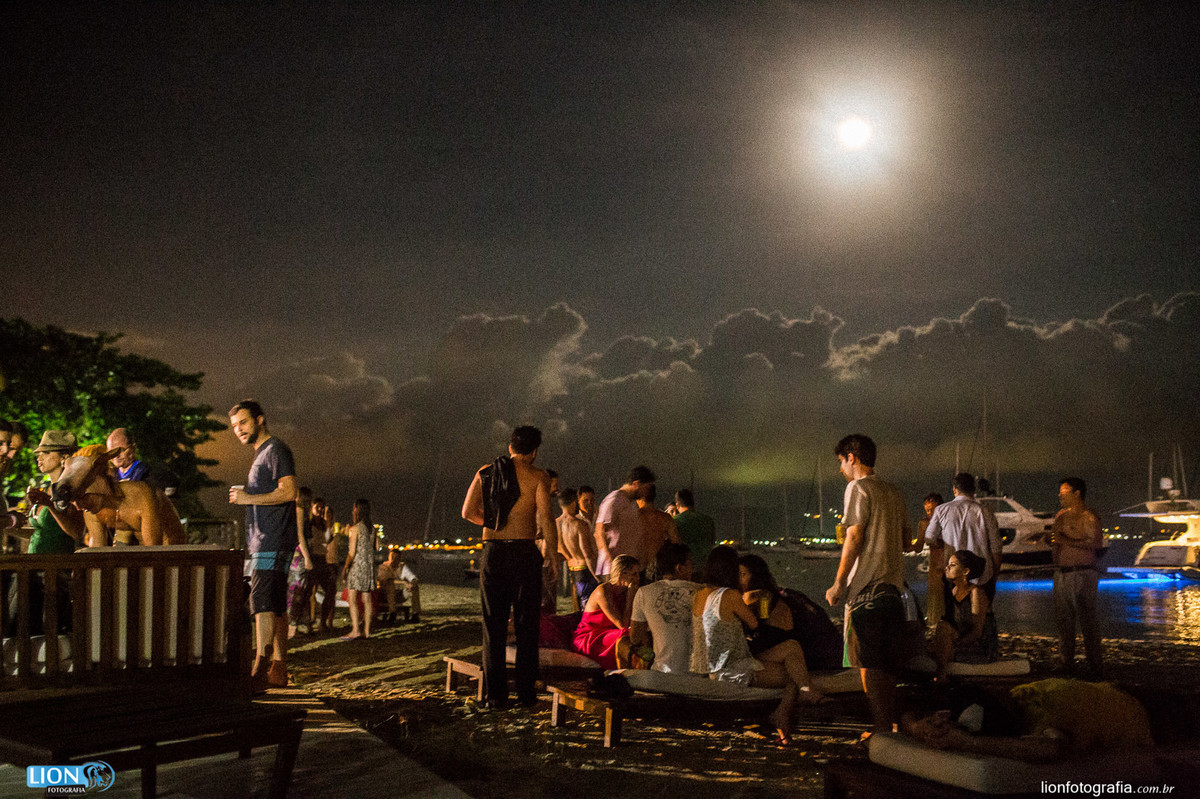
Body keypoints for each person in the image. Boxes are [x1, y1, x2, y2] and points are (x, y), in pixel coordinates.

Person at [461, 425, 557, 710]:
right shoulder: (538, 476)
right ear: (535, 451)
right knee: (528, 625)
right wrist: (552, 554)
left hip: (494, 552)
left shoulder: (485, 472)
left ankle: (496, 697)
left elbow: (467, 513)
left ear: (510, 447)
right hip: (524, 552)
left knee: (494, 625)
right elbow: (547, 519)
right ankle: (526, 695)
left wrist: (494, 523)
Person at [825, 434, 913, 734]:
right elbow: (906, 541)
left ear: (852, 457)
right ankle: (889, 726)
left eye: (841, 462)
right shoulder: (894, 491)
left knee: (869, 667)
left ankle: (881, 730)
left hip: (866, 591)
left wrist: (838, 583)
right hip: (894, 591)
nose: (841, 470)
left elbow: (855, 535)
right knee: (887, 667)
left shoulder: (858, 487)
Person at [692, 546, 819, 746]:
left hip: (716, 665)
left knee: (792, 649)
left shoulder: (699, 595)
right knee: (793, 672)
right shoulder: (730, 595)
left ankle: (799, 699)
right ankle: (792, 706)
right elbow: (753, 623)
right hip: (733, 668)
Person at [901, 678, 1152, 763]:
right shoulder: (1017, 696)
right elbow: (907, 712)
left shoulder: (1045, 714)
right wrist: (917, 727)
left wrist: (965, 742)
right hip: (1111, 693)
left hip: (1150, 717)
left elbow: (1053, 749)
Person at [228, 399, 298, 693]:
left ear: (260, 420)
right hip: (271, 538)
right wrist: (249, 493)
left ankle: (257, 669)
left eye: (243, 423)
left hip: (271, 538)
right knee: (277, 605)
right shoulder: (262, 454)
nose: (238, 430)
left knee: (261, 604)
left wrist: (248, 498)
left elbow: (289, 491)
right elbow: (272, 491)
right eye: (234, 427)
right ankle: (278, 668)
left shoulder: (275, 450)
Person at [1050, 477, 1104, 677]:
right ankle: (1066, 661)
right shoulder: (1061, 516)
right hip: (1062, 573)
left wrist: (1067, 540)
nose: (1060, 496)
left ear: (1077, 493)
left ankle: (1095, 664)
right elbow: (1057, 541)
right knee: (1064, 621)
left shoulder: (1088, 517)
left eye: (1064, 492)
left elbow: (1095, 543)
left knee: (1088, 620)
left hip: (1083, 573)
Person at [925, 473, 1002, 604]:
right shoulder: (985, 511)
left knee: (956, 618)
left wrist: (943, 543)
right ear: (973, 490)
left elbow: (929, 538)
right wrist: (994, 575)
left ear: (955, 489)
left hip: (954, 576)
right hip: (982, 575)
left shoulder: (941, 510)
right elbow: (996, 548)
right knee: (983, 617)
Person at [930, 550, 999, 683]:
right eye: (948, 564)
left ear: (965, 571)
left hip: (980, 647)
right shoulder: (953, 591)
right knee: (942, 627)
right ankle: (941, 673)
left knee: (944, 636)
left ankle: (941, 676)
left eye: (953, 565)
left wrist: (955, 645)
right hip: (963, 640)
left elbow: (977, 631)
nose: (947, 568)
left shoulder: (976, 592)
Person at [630, 542, 697, 673]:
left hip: (662, 674)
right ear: (679, 568)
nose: (692, 569)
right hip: (698, 676)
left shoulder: (644, 592)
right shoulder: (702, 591)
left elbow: (635, 637)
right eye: (690, 565)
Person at [573, 554, 639, 670]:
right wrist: (630, 599)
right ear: (622, 573)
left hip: (609, 633)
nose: (638, 578)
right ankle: (624, 675)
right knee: (626, 635)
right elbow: (622, 625)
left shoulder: (626, 591)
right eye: (634, 574)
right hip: (591, 637)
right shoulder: (603, 591)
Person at [594, 466, 654, 579]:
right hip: (615, 569)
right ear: (636, 484)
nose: (646, 493)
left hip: (630, 567)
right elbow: (599, 533)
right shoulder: (614, 500)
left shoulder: (631, 503)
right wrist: (611, 563)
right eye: (646, 488)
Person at [556, 488, 599, 608]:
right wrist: (597, 577)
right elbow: (587, 554)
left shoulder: (555, 524)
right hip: (586, 570)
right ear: (575, 502)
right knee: (590, 607)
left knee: (579, 607)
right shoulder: (579, 524)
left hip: (573, 570)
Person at [341, 498, 376, 640]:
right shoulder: (373, 529)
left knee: (352, 598)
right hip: (369, 566)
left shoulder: (355, 529)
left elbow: (351, 552)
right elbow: (377, 548)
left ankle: (356, 630)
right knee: (367, 599)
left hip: (357, 566)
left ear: (357, 509)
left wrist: (345, 567)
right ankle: (367, 631)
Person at [286, 486, 317, 638]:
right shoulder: (299, 511)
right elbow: (300, 536)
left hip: (301, 555)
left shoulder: (303, 513)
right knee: (297, 591)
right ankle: (292, 626)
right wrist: (307, 557)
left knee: (302, 591)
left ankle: (301, 624)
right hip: (300, 556)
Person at [635, 484, 680, 575]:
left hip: (636, 565)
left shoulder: (633, 517)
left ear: (640, 498)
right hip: (659, 566)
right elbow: (676, 542)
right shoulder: (665, 518)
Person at [306, 496, 335, 633]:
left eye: (322, 507)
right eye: (317, 506)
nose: (320, 509)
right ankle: (307, 623)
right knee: (308, 592)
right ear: (312, 508)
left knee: (331, 589)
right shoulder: (308, 524)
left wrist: (328, 525)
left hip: (323, 560)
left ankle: (322, 622)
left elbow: (327, 541)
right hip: (312, 559)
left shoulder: (324, 524)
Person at [919, 492, 945, 626]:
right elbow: (918, 546)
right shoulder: (924, 523)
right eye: (927, 510)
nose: (929, 513)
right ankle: (934, 620)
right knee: (935, 595)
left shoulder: (947, 522)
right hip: (935, 564)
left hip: (947, 562)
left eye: (932, 510)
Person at [672, 488, 716, 565]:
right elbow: (712, 541)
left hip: (684, 566)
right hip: (705, 565)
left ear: (677, 505)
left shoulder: (674, 521)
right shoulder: (708, 520)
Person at [377, 546, 421, 623]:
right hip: (385, 594)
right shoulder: (383, 567)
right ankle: (392, 613)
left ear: (400, 558)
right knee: (390, 586)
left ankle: (415, 614)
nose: (393, 559)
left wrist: (411, 584)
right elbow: (383, 580)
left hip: (398, 594)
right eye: (392, 557)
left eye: (396, 557)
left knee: (415, 588)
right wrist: (403, 582)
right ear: (389, 557)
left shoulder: (402, 567)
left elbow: (414, 578)